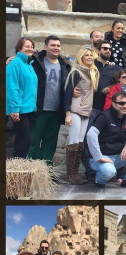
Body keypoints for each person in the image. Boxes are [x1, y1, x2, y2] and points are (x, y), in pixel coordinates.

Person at [87, 92, 126, 189]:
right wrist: (98, 157)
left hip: (118, 157)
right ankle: (99, 180)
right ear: (113, 104)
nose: (125, 106)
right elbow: (91, 134)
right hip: (102, 158)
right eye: (121, 103)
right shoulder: (104, 117)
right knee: (109, 172)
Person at [82, 39, 123, 183]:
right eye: (105, 48)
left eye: (109, 49)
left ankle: (104, 169)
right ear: (98, 50)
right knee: (88, 140)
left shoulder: (115, 68)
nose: (107, 51)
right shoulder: (91, 65)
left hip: (107, 111)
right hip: (91, 108)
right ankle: (89, 172)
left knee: (102, 140)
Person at [28, 35, 71, 165]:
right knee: (34, 141)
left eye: (58, 46)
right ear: (45, 46)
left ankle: (46, 170)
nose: (56, 48)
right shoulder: (35, 61)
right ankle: (34, 170)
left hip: (56, 111)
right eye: (53, 45)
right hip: (39, 109)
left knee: (50, 143)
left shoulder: (65, 66)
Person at [64, 48, 100, 185]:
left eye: (91, 55)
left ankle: (75, 173)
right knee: (73, 142)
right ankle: (71, 175)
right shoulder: (75, 73)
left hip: (86, 111)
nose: (90, 57)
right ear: (81, 57)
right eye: (87, 55)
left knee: (80, 143)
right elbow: (68, 93)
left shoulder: (93, 72)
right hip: (75, 110)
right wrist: (67, 113)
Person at [6, 37, 38, 158]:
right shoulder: (15, 63)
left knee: (26, 141)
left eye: (31, 46)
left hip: (29, 108)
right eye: (27, 46)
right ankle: (17, 170)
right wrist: (15, 109)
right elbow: (12, 87)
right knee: (23, 140)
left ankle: (22, 169)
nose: (30, 49)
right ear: (19, 48)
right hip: (19, 109)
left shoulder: (29, 64)